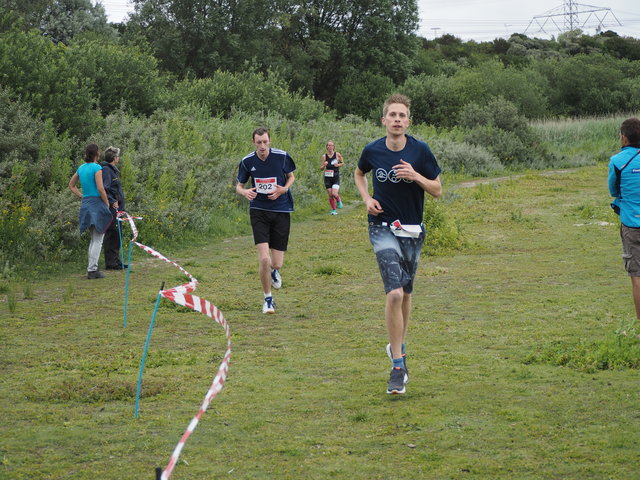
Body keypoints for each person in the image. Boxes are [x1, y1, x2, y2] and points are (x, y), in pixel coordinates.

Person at [354, 93, 442, 394]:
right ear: (383, 120)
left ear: (408, 121)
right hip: (381, 227)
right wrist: (367, 198)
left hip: (413, 230)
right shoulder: (373, 150)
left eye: (402, 115)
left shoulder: (421, 151)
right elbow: (359, 173)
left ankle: (398, 349)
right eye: (392, 115)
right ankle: (397, 367)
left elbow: (438, 190)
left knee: (405, 292)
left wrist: (415, 175)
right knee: (393, 293)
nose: (397, 120)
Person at [236, 127, 296, 314]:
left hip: (281, 210)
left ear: (270, 140)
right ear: (253, 142)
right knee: (264, 259)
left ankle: (274, 271)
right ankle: (268, 300)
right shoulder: (247, 161)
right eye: (258, 142)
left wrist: (282, 189)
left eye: (265, 141)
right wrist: (245, 191)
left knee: (276, 263)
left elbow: (291, 177)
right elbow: (239, 185)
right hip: (259, 211)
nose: (262, 145)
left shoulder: (282, 156)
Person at [608, 117, 640, 318]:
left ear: (625, 138)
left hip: (631, 224)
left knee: (637, 276)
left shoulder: (617, 161)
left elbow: (613, 189)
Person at [68, 144, 113, 279]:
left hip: (86, 204)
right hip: (97, 203)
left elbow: (71, 185)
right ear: (97, 154)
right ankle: (92, 270)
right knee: (98, 239)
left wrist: (82, 195)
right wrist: (106, 203)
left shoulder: (81, 168)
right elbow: (100, 188)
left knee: (94, 239)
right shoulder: (97, 168)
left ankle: (91, 268)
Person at [101, 146, 127, 270]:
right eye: (117, 156)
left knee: (118, 234)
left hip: (119, 207)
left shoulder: (113, 170)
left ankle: (117, 261)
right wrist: (112, 201)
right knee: (112, 234)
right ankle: (110, 263)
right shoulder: (106, 170)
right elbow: (105, 189)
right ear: (114, 158)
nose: (119, 158)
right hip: (112, 208)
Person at [320, 141, 345, 215]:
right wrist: (324, 165)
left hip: (335, 176)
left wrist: (338, 165)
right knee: (330, 195)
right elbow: (321, 168)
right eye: (328, 145)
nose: (330, 147)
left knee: (334, 193)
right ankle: (334, 210)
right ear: (326, 147)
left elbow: (343, 163)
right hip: (327, 177)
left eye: (331, 145)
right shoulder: (324, 156)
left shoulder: (337, 154)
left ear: (334, 147)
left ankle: (338, 200)